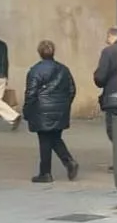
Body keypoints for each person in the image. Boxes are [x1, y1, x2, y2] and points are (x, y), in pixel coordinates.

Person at [23, 40, 78, 183]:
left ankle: (45, 172)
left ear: (39, 52)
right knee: (54, 138)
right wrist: (64, 104)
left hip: (41, 110)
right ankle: (68, 162)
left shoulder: (35, 70)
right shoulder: (63, 69)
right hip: (59, 109)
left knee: (45, 140)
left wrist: (27, 110)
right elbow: (72, 90)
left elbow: (31, 93)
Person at [94, 27, 117, 142]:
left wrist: (96, 76)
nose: (106, 40)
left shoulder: (108, 51)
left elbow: (100, 77)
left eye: (108, 37)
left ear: (113, 36)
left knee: (113, 132)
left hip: (113, 98)